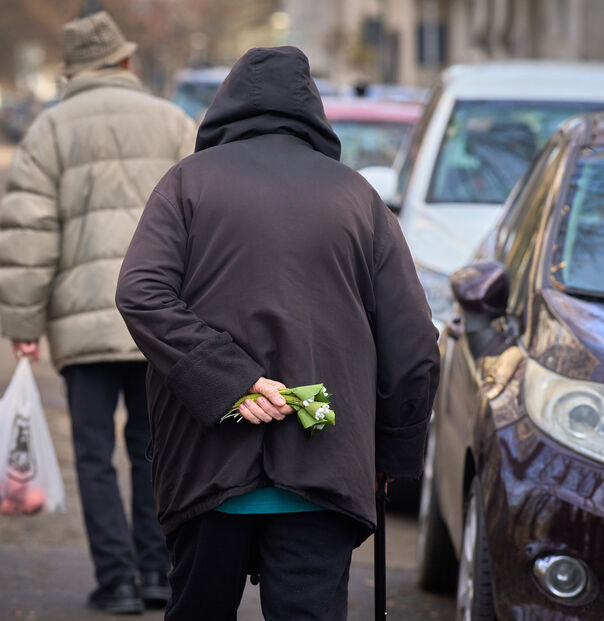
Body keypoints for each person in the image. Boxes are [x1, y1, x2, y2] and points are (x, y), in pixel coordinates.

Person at [115, 46, 440, 621]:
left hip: (204, 465)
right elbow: (414, 343)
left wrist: (231, 382)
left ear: (225, 105)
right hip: (325, 462)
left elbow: (141, 293)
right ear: (313, 110)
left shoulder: (187, 184)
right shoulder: (357, 197)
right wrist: (391, 454)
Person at [0, 11, 196, 615]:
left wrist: (24, 325)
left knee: (93, 454)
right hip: (158, 323)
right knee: (153, 447)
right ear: (125, 60)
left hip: (81, 327)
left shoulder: (48, 130)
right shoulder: (173, 122)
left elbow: (29, 232)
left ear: (72, 71)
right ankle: (157, 570)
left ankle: (116, 580)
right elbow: (203, 221)